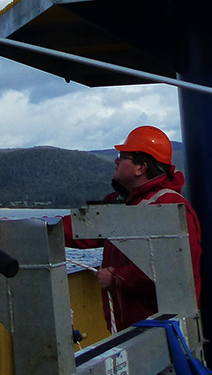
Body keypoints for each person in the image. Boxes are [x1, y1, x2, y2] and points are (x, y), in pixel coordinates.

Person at [62, 125, 202, 333]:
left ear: (140, 168)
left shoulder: (169, 206)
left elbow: (176, 271)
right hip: (135, 328)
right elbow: (83, 231)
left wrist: (117, 277)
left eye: (122, 156)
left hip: (165, 332)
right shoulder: (124, 203)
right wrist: (40, 230)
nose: (116, 160)